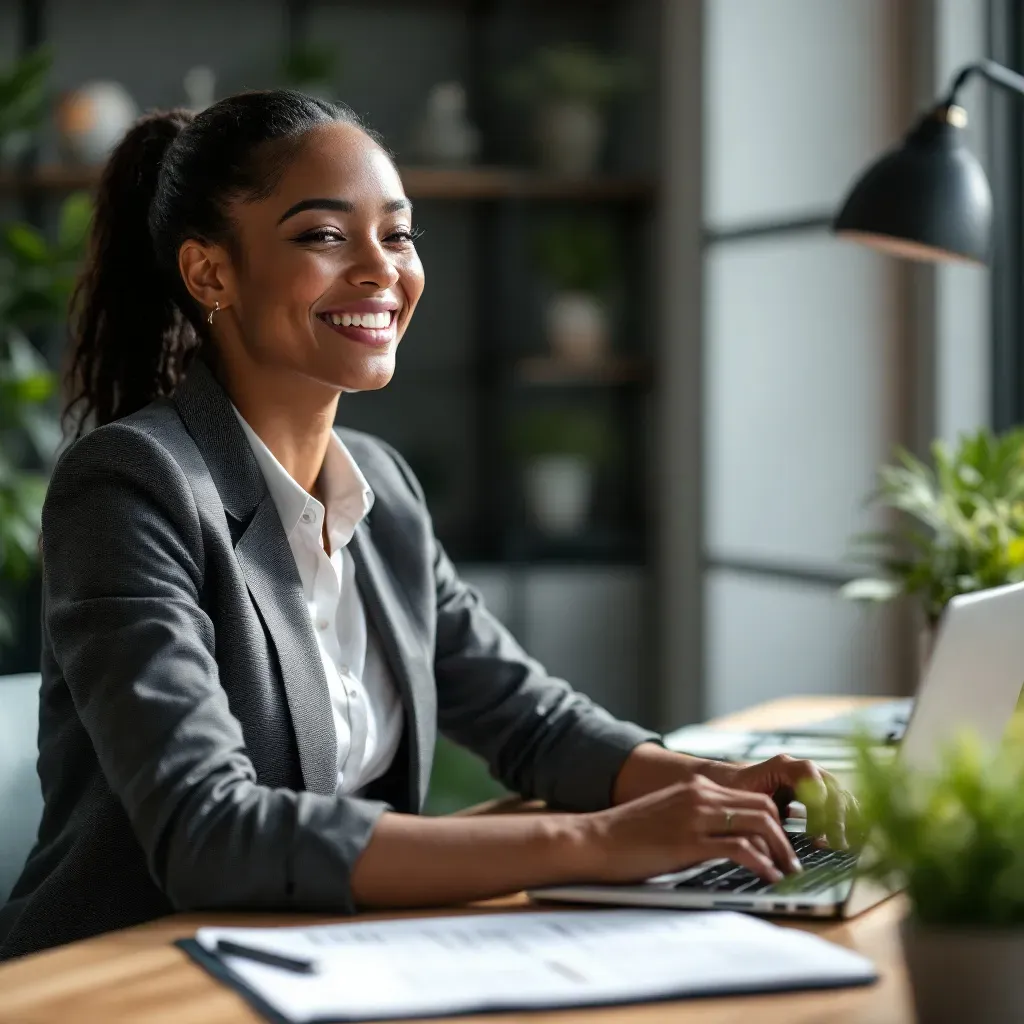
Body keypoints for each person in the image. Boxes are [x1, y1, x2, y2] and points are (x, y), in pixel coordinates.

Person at [0, 91, 849, 961]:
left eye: (397, 234)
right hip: (132, 976)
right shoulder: (131, 485)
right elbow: (210, 831)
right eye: (324, 236)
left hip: (343, 960)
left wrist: (716, 786)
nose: (380, 270)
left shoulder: (385, 494)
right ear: (211, 272)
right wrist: (603, 843)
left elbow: (534, 724)